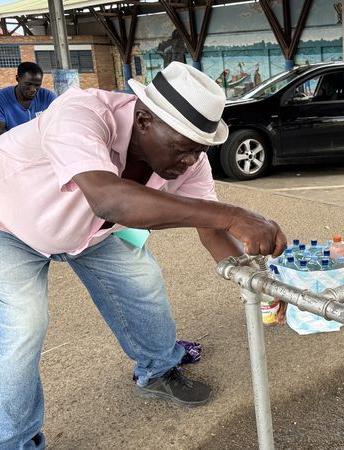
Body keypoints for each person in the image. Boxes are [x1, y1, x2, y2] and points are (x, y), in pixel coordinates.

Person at [0, 61, 286, 448]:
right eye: (184, 150)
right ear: (145, 120)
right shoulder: (80, 112)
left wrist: (260, 282)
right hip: (10, 227)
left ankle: (157, 368)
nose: (190, 162)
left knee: (143, 287)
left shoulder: (190, 157)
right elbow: (109, 200)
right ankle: (14, 439)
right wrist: (235, 213)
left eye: (199, 151)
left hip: (91, 234)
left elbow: (212, 230)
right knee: (23, 326)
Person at [0, 61, 57, 134]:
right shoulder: (2, 98)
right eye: (28, 84)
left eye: (37, 85)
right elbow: (1, 132)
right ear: (18, 79)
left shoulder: (48, 97)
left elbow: (58, 124)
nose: (33, 89)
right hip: (11, 144)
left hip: (42, 143)